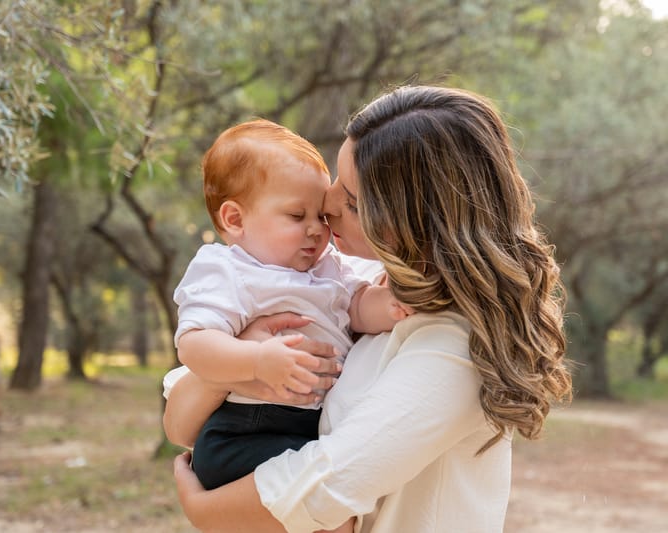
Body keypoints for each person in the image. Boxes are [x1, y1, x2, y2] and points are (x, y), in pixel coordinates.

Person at [164, 85, 573, 533]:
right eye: (337, 181)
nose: (328, 206)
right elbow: (180, 426)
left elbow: (327, 489)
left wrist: (201, 509)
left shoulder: (455, 343)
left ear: (417, 221)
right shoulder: (351, 279)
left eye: (353, 203)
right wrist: (246, 355)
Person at [169, 119, 411, 498]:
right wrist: (256, 360)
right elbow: (194, 344)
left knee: (328, 478)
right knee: (324, 484)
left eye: (320, 216)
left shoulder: (329, 267)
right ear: (235, 219)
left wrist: (395, 304)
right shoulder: (228, 271)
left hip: (309, 426)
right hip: (245, 429)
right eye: (298, 216)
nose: (316, 229)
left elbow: (359, 306)